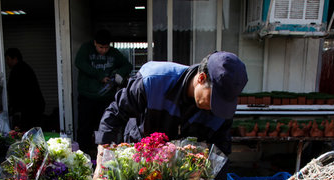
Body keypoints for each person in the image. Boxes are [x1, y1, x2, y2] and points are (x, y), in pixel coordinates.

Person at [95, 51, 248, 157]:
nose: (216, 107)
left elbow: (221, 151)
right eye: (214, 99)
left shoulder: (222, 109)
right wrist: (103, 153)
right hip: (140, 156)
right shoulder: (154, 81)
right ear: (201, 78)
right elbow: (115, 112)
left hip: (183, 174)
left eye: (223, 102)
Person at [75, 29, 132, 157]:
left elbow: (127, 65)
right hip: (87, 97)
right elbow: (79, 63)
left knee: (104, 128)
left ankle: (103, 155)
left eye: (106, 47)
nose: (104, 50)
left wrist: (118, 74)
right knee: (85, 128)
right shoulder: (85, 49)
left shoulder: (114, 53)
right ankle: (83, 156)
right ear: (95, 43)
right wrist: (99, 75)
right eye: (101, 47)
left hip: (106, 98)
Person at [5, 48, 45, 132]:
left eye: (8, 59)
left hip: (29, 109)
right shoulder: (25, 68)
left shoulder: (18, 70)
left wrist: (14, 108)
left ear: (15, 58)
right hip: (33, 107)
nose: (7, 62)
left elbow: (16, 91)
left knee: (27, 132)